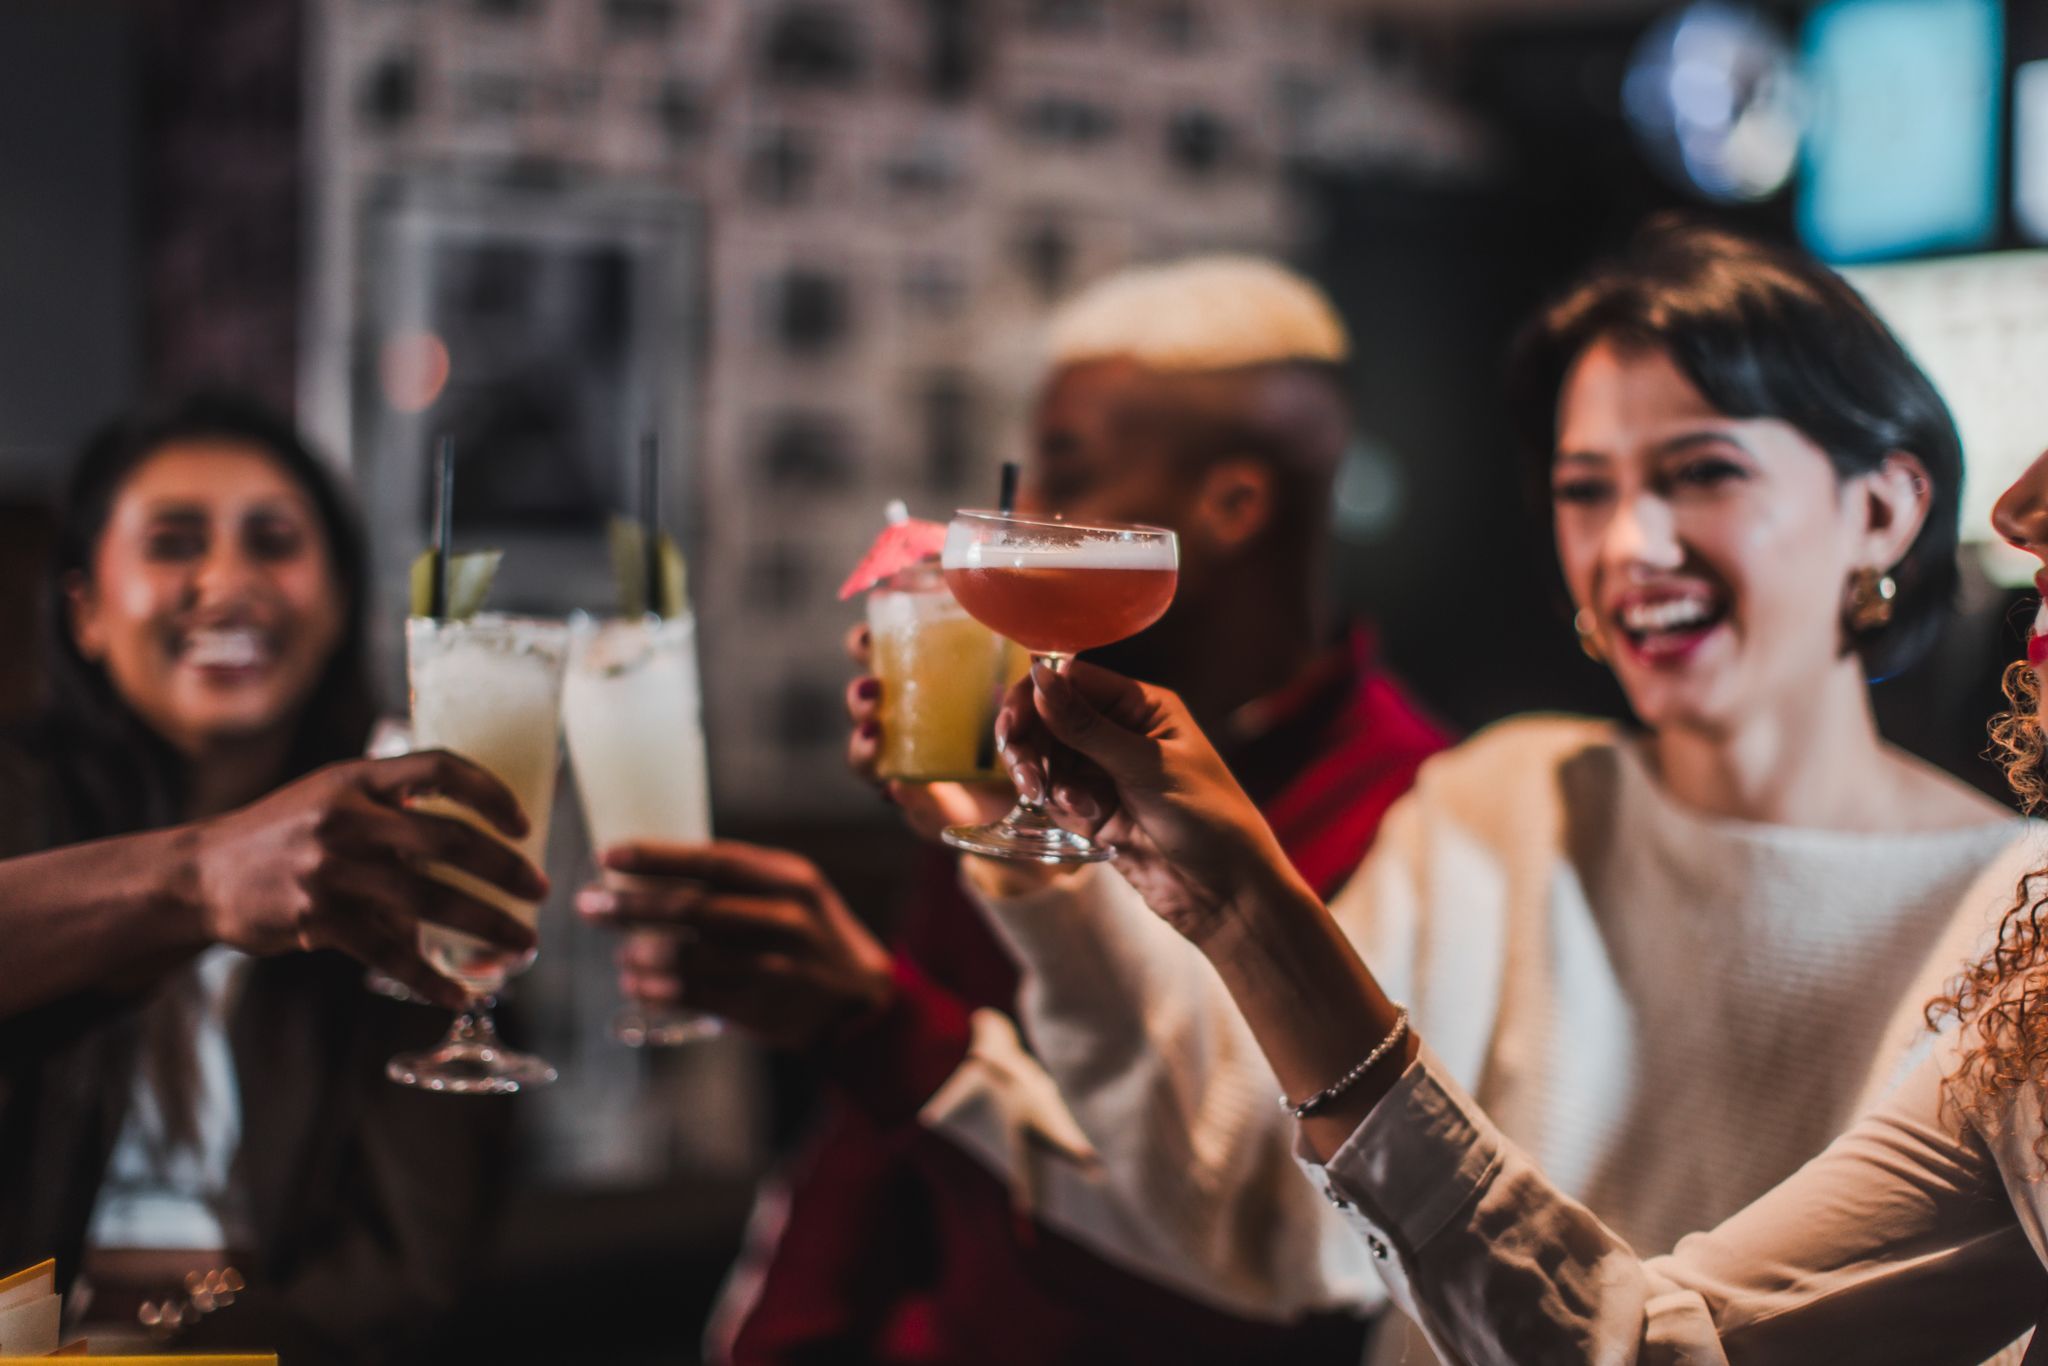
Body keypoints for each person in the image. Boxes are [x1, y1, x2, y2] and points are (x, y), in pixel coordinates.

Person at [890, 218, 2043, 1363]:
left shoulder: (2011, 916)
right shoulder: (1503, 798)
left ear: (1883, 510)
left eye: (1701, 473)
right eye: (1584, 490)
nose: (1629, 544)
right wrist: (1039, 881)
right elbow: (1255, 1203)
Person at [577, 256, 1452, 1363]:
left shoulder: (1415, 809)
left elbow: (1276, 1260)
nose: (1018, 517)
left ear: (1231, 505)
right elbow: (854, 1172)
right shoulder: (1012, 755)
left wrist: (871, 1016)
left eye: (1063, 476)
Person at [0, 393, 544, 1361]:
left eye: (274, 543)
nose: (228, 582)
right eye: (173, 543)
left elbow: (411, 1268)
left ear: (337, 602)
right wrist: (195, 879)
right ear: (83, 608)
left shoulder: (401, 847)